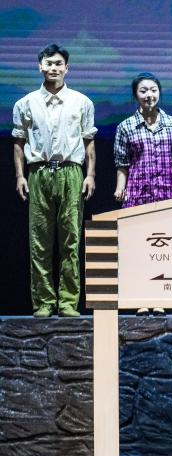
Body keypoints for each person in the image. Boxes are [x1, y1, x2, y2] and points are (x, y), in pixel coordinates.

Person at [13, 43, 97, 318]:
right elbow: (19, 142)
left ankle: (68, 302)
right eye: (49, 63)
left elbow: (88, 141)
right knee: (40, 241)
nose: (53, 68)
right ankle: (44, 302)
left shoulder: (82, 102)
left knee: (71, 240)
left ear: (66, 68)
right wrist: (20, 175)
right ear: (40, 66)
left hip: (71, 172)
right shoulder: (25, 103)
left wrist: (90, 174)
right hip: (39, 173)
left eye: (58, 63)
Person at [113, 72, 172, 317]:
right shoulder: (125, 127)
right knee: (138, 249)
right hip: (138, 191)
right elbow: (122, 164)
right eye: (143, 91)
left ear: (159, 92)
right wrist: (120, 187)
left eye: (153, 90)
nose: (149, 95)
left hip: (166, 190)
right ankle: (140, 298)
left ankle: (160, 298)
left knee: (163, 247)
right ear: (136, 95)